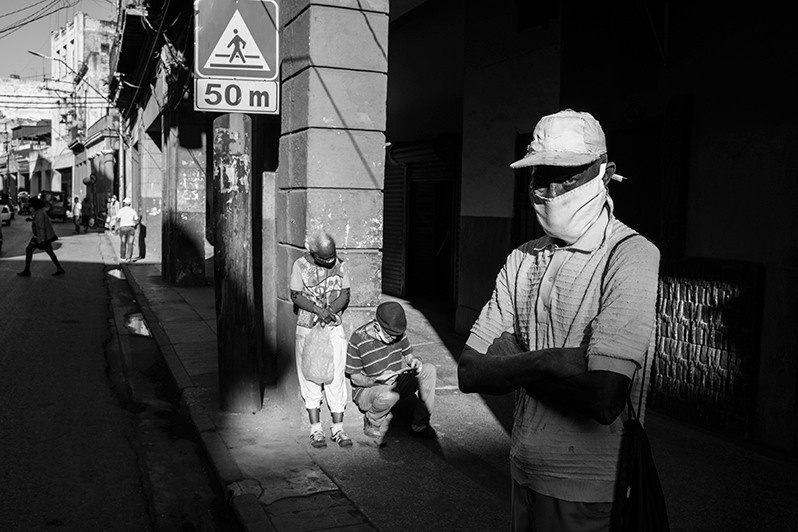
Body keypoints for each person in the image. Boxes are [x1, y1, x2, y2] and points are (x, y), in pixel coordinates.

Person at [457, 109, 660, 530]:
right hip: (523, 471)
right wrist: (550, 360)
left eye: (567, 175)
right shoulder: (523, 257)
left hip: (587, 490)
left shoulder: (629, 255)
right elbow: (471, 371)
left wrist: (513, 359)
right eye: (539, 176)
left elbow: (604, 398)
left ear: (605, 173)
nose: (550, 189)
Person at [290, 230, 353, 448]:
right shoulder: (300, 265)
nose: (329, 261)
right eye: (324, 258)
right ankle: (316, 430)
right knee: (309, 376)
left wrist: (331, 310)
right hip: (307, 327)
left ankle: (338, 429)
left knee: (336, 376)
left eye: (331, 257)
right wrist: (318, 310)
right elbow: (295, 296)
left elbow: (345, 292)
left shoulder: (341, 264)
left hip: (333, 326)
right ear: (312, 253)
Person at [346, 301, 438, 441]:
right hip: (369, 389)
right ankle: (372, 421)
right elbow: (355, 378)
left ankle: (420, 424)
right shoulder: (358, 338)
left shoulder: (397, 332)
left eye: (397, 335)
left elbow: (409, 356)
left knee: (429, 369)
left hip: (394, 382)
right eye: (390, 336)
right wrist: (376, 379)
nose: (395, 338)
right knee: (390, 394)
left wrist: (415, 361)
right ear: (377, 326)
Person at [17, 196, 65, 277]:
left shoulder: (39, 214)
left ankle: (27, 270)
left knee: (29, 250)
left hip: (41, 237)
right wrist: (31, 220)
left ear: (34, 206)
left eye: (30, 206)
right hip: (42, 237)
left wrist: (42, 240)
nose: (29, 208)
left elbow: (41, 227)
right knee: (49, 252)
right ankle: (59, 268)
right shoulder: (40, 212)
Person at [115, 197, 139, 263]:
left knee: (123, 242)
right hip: (131, 228)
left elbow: (117, 219)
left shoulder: (121, 210)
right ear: (130, 204)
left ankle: (123, 257)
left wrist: (116, 227)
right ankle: (129, 258)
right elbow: (137, 221)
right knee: (130, 243)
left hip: (123, 228)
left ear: (124, 203)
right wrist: (135, 225)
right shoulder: (133, 211)